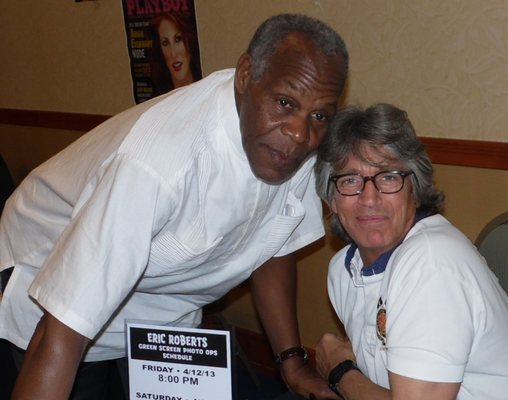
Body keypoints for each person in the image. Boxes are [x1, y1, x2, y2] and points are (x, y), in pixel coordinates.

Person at [0, 14, 348, 399]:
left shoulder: (290, 146)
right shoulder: (158, 165)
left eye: (319, 115)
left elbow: (270, 241)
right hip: (52, 271)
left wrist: (292, 363)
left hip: (164, 306)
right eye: (284, 102)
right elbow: (58, 333)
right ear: (246, 75)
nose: (300, 132)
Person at [313, 104, 508, 399]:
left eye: (388, 177)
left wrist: (340, 372)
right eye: (350, 180)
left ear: (415, 190)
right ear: (332, 200)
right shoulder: (343, 270)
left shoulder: (431, 262)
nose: (369, 198)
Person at [149, 11, 202, 96]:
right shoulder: (159, 102)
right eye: (165, 43)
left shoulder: (209, 91)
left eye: (178, 39)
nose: (173, 53)